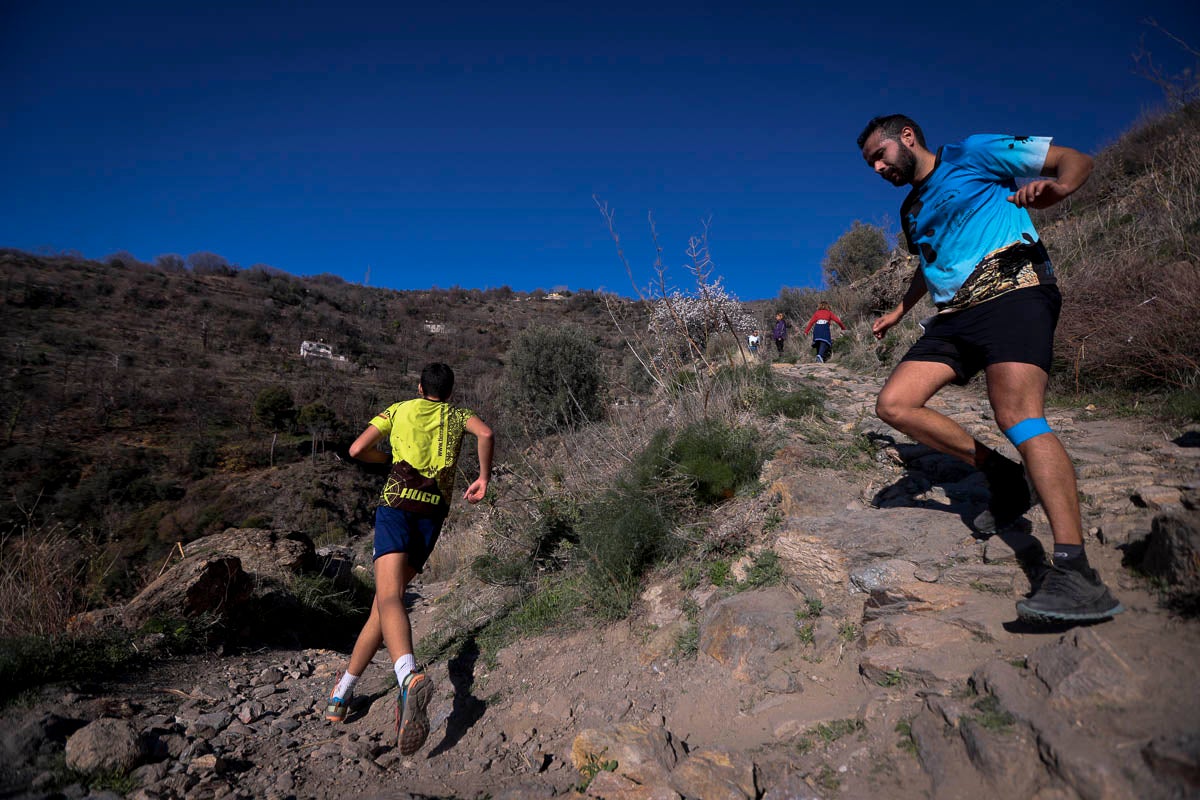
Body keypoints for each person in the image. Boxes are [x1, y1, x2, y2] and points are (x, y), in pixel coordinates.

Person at [858, 114, 1122, 623]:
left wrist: (1060, 188)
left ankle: (1075, 571)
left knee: (1018, 415)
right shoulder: (910, 208)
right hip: (952, 317)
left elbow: (1075, 159)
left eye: (880, 154)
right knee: (895, 404)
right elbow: (928, 260)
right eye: (870, 162)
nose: (876, 167)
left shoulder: (974, 153)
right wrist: (900, 310)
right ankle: (1003, 476)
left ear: (906, 138)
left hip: (1013, 290)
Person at [325, 362, 494, 755]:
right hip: (432, 515)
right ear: (449, 392)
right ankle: (341, 696)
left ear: (419, 387)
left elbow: (356, 449)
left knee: (388, 600)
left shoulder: (399, 409)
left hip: (397, 507)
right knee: (381, 609)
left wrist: (384, 461)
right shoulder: (458, 415)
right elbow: (485, 433)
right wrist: (484, 477)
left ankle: (408, 676)